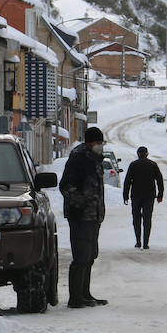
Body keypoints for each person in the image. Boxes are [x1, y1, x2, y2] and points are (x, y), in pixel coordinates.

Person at [59, 126, 108, 308]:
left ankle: (85, 294)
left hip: (93, 215)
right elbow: (66, 185)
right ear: (89, 142)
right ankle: (75, 298)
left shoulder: (94, 158)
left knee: (90, 255)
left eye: (101, 143)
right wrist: (80, 204)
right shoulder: (79, 158)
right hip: (81, 216)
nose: (100, 146)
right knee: (81, 256)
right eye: (98, 143)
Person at [122, 146, 164, 249]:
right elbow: (159, 180)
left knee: (136, 219)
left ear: (138, 154)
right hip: (149, 196)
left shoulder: (133, 165)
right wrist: (160, 195)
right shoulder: (152, 165)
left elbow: (127, 181)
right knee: (147, 219)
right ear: (147, 154)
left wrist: (125, 195)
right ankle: (145, 243)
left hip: (136, 196)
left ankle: (138, 241)